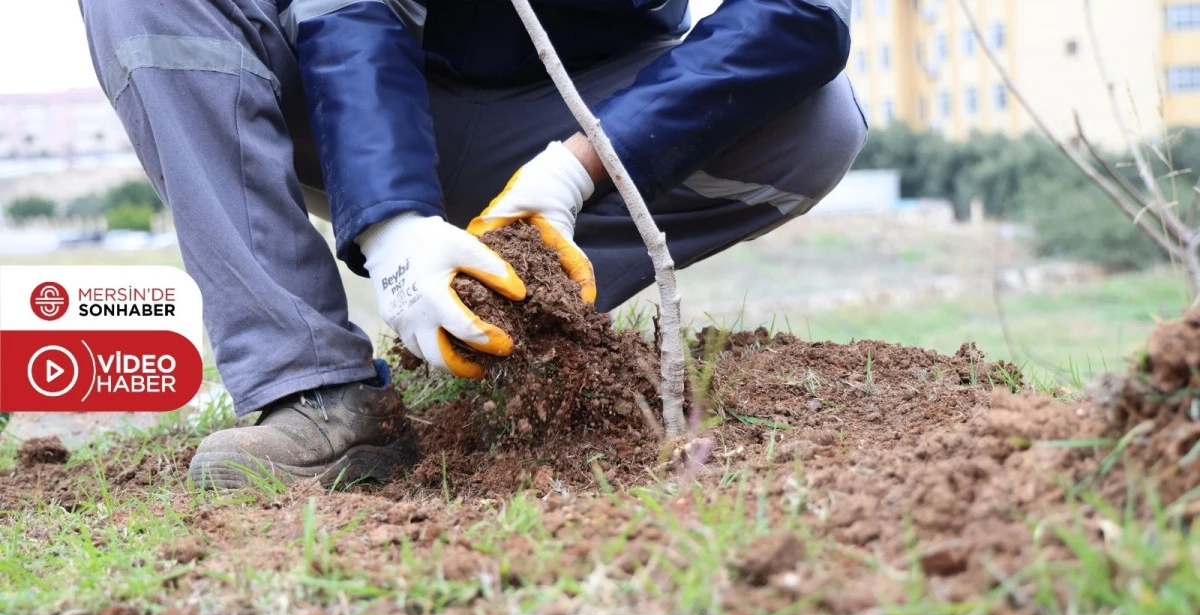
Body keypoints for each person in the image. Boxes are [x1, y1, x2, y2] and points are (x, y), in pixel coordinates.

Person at [79, 0, 867, 489]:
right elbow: (347, 17)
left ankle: (522, 311)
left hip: (583, 111)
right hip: (355, 100)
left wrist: (578, 168)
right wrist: (391, 221)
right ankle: (315, 388)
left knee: (820, 118)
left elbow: (803, 11)